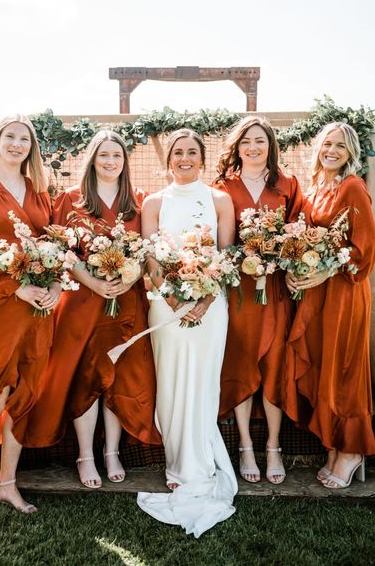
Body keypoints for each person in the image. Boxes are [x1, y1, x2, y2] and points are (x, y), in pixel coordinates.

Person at [23, 130, 160, 487]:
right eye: (104, 155)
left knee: (119, 375)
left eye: (117, 155)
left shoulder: (139, 200)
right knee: (86, 376)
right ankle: (86, 455)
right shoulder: (71, 199)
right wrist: (93, 281)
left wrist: (130, 278)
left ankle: (112, 451)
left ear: (124, 161)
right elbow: (62, 251)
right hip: (83, 303)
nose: (110, 161)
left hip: (128, 302)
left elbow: (147, 251)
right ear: (92, 159)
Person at [137, 128, 238, 538]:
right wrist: (175, 302)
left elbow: (226, 256)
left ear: (202, 158)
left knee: (203, 381)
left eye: (191, 152)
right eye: (177, 152)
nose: (184, 158)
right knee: (173, 382)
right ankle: (177, 465)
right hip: (165, 304)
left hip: (211, 305)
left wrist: (204, 300)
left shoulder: (220, 200)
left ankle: (202, 463)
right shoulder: (154, 202)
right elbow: (150, 258)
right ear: (169, 160)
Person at [0, 114, 58, 514]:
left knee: (24, 398)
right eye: (10, 137)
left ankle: (7, 484)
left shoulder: (41, 192)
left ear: (31, 148)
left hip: (39, 310)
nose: (16, 144)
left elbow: (58, 246)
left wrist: (55, 287)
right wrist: (15, 286)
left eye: (24, 139)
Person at [214, 116, 303, 484]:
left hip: (276, 292)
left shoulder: (288, 185)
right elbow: (217, 242)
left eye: (260, 141)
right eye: (246, 141)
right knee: (238, 364)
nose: (253, 148)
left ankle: (273, 447)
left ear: (271, 147)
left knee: (275, 366)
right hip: (238, 294)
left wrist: (280, 262)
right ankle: (246, 446)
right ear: (237, 147)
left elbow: (299, 234)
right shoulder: (222, 187)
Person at [285, 122, 375, 488]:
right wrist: (295, 269)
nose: (332, 151)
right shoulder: (316, 189)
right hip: (317, 294)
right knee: (327, 368)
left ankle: (352, 450)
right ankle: (334, 447)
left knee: (346, 369)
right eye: (327, 144)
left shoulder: (353, 188)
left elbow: (364, 249)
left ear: (350, 152)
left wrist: (325, 273)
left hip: (344, 293)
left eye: (340, 145)